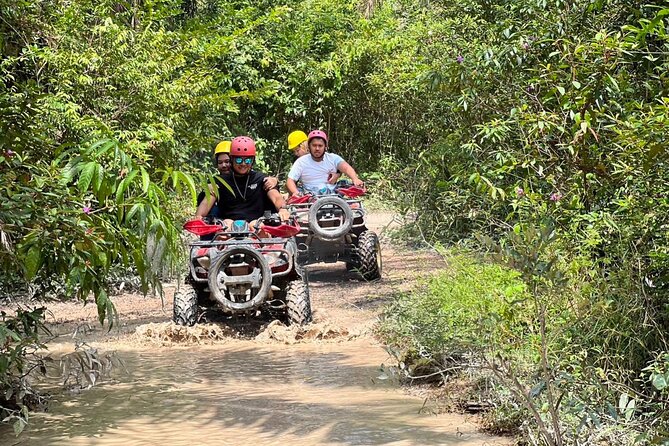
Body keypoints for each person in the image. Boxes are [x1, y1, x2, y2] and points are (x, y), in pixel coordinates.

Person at [196, 136, 290, 229]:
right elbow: (207, 202)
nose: (243, 164)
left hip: (256, 226)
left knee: (257, 226)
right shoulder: (219, 181)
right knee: (225, 226)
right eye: (239, 160)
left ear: (253, 161)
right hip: (229, 228)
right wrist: (198, 217)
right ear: (232, 160)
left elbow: (276, 197)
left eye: (248, 160)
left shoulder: (261, 179)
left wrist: (283, 209)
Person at [286, 129, 363, 197]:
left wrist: (355, 179)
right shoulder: (300, 162)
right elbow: (290, 180)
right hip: (311, 194)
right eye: (314, 145)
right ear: (309, 146)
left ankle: (347, 205)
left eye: (320, 146)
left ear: (325, 146)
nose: (317, 148)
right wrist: (295, 193)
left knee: (346, 184)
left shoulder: (332, 158)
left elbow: (346, 167)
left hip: (333, 191)